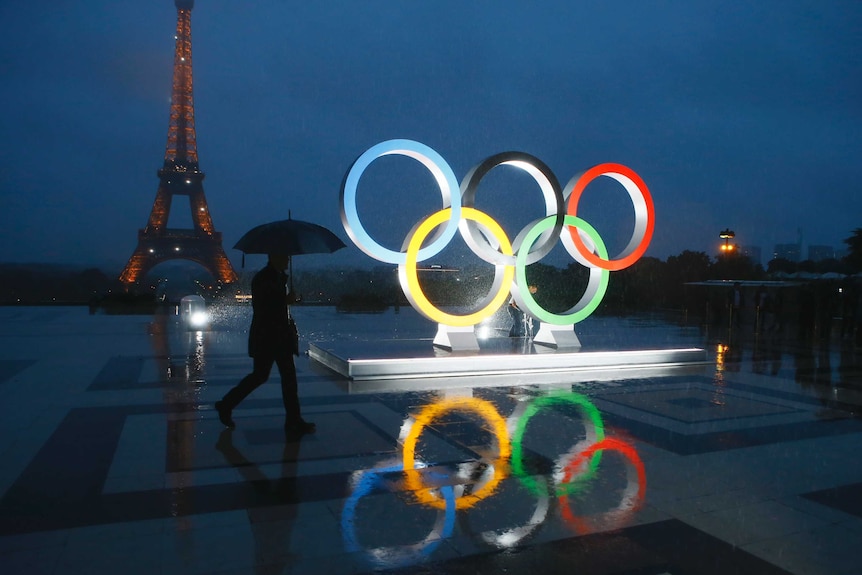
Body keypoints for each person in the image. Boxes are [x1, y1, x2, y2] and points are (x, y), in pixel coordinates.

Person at [215, 253, 315, 436]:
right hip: (270, 337)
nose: (288, 260)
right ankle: (227, 404)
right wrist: (285, 300)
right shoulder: (265, 278)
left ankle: (293, 420)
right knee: (268, 377)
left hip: (275, 337)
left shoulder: (272, 277)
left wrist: (287, 300)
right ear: (275, 257)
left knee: (280, 378)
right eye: (285, 257)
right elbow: (264, 307)